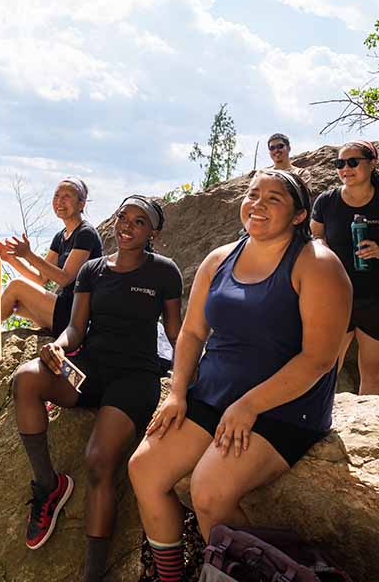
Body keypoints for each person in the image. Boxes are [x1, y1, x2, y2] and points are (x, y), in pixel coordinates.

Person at [127, 172, 350, 582]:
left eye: (274, 199)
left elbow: (319, 358)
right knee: (145, 468)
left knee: (210, 492)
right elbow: (193, 332)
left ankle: (273, 574)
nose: (258, 204)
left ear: (300, 214)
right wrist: (177, 394)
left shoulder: (317, 265)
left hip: (283, 408)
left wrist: (248, 406)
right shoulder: (220, 259)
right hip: (213, 396)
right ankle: (172, 576)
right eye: (252, 195)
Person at [11, 196, 182, 581]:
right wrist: (58, 346)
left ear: (152, 232)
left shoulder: (164, 273)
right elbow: (75, 328)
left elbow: (175, 332)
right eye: (124, 217)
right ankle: (48, 486)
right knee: (26, 378)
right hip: (89, 370)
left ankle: (92, 575)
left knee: (98, 459)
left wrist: (189, 381)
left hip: (134, 379)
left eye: (139, 222)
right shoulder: (91, 270)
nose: (127, 226)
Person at [311, 141, 379, 395]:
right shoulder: (327, 201)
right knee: (325, 368)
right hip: (336, 295)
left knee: (373, 372)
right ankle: (314, 427)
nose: (345, 169)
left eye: (352, 162)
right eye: (340, 164)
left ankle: (372, 430)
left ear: (372, 163)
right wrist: (322, 247)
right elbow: (315, 235)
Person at [0, 178, 103, 335]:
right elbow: (40, 279)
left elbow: (66, 278)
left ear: (81, 204)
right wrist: (11, 258)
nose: (60, 201)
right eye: (56, 196)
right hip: (62, 311)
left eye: (67, 196)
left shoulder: (85, 233)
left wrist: (28, 254)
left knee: (17, 286)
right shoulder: (60, 237)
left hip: (75, 315)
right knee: (16, 303)